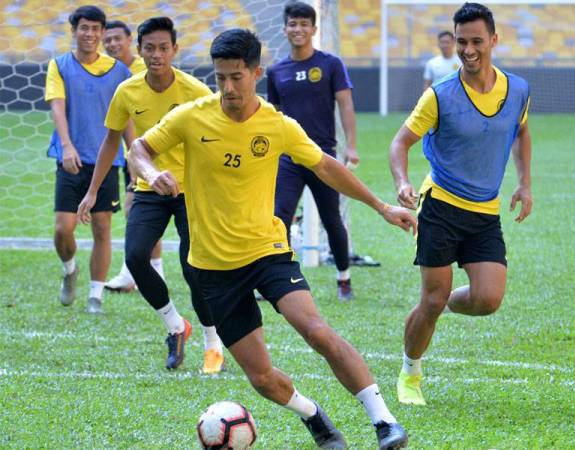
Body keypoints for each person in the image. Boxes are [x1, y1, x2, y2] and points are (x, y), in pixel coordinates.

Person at [129, 28, 414, 450]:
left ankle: (384, 422)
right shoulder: (192, 116)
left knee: (317, 331)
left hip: (268, 252)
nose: (227, 87)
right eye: (220, 77)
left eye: (236, 77)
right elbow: (138, 148)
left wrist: (381, 206)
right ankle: (314, 416)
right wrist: (151, 174)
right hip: (212, 269)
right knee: (261, 378)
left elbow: (327, 167)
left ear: (256, 73)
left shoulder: (278, 126)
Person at [389, 2, 533, 406]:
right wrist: (402, 182)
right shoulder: (439, 95)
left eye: (476, 41)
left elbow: (521, 131)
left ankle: (434, 307)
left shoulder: (518, 89)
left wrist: (524, 183)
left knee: (487, 300)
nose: (468, 50)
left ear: (493, 40)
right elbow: (400, 142)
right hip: (440, 206)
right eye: (460, 42)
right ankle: (410, 373)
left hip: (485, 211)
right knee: (432, 298)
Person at [77, 17, 223, 373]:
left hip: (193, 191)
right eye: (150, 48)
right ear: (139, 50)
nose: (156, 55)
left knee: (196, 269)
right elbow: (112, 141)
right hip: (148, 187)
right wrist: (92, 190)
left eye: (163, 48)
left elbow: (218, 138)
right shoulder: (127, 91)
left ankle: (212, 342)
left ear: (175, 50)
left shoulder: (197, 92)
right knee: (136, 257)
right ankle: (175, 325)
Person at [267, 1, 359, 301]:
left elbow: (345, 104)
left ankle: (343, 278)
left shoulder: (330, 64)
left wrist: (352, 147)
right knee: (279, 218)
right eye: (293, 24)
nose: (298, 29)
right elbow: (273, 116)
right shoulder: (276, 70)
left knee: (331, 219)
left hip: (323, 156)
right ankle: (274, 280)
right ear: (285, 29)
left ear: (314, 29)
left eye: (304, 24)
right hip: (289, 158)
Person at [45, 5, 130, 314]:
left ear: (102, 32)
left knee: (102, 228)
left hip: (107, 161)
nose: (90, 34)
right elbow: (57, 107)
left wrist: (134, 156)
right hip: (71, 158)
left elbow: (128, 118)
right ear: (74, 31)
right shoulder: (60, 65)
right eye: (84, 28)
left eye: (96, 29)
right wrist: (66, 146)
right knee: (62, 228)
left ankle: (95, 295)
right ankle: (70, 271)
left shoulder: (119, 71)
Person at [102, 19, 165, 292]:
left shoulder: (143, 70)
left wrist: (135, 157)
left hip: (151, 151)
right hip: (126, 151)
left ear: (131, 42)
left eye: (118, 38)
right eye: (109, 40)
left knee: (140, 208)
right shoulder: (111, 70)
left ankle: (142, 273)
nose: (113, 44)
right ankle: (141, 272)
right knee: (137, 211)